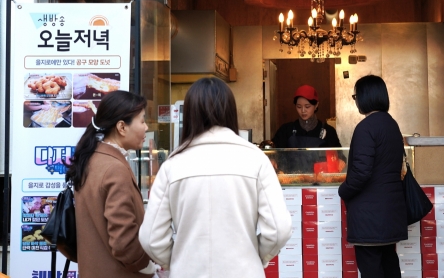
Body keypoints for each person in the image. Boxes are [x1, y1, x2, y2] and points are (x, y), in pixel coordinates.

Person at [139, 77, 292, 278]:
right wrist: (256, 256)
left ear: (191, 114)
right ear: (230, 111)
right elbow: (279, 230)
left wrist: (179, 260)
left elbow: (151, 238)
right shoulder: (256, 160)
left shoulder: (172, 166)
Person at [64, 90, 157, 278]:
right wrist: (148, 267)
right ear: (122, 127)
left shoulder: (92, 159)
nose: (146, 127)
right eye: (142, 120)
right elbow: (124, 243)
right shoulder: (114, 169)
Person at [338, 75, 407, 278]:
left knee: (371, 269)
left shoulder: (366, 128)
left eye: (356, 96)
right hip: (389, 212)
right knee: (389, 264)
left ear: (365, 97)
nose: (356, 101)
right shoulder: (391, 124)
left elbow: (361, 173)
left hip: (370, 217)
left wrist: (344, 191)